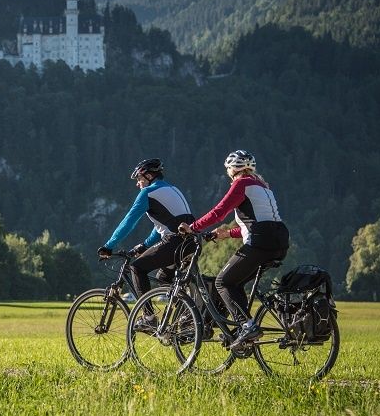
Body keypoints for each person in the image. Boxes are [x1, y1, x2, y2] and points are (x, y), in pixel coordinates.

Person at [179, 150, 289, 350]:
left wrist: (192, 228)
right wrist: (227, 234)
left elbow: (219, 212)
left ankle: (247, 326)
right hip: (279, 240)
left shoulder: (241, 184)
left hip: (260, 243)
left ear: (232, 169)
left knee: (223, 282)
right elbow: (257, 223)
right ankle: (243, 328)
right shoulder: (263, 186)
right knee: (234, 283)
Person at [97, 158, 195, 331]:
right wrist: (144, 245)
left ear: (149, 176)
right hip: (191, 243)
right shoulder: (172, 189)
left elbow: (129, 221)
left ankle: (148, 318)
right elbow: (162, 226)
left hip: (174, 242)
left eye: (139, 179)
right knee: (164, 278)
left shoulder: (148, 193)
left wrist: (109, 245)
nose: (138, 184)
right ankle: (188, 314)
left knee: (137, 268)